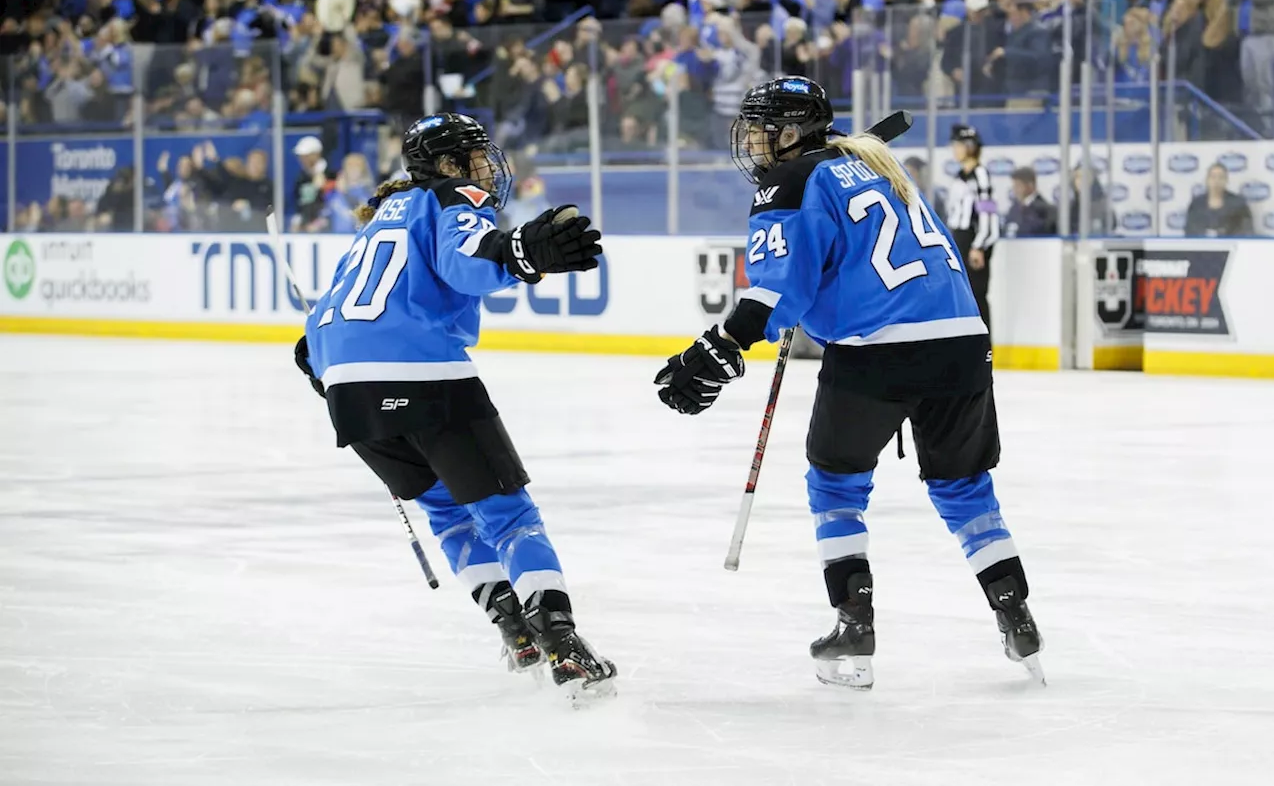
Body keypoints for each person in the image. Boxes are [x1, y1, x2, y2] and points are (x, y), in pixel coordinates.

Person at [653, 77, 1043, 689]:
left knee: (836, 482)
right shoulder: (878, 165)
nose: (752, 140)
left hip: (878, 352)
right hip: (965, 343)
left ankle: (853, 625)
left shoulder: (791, 181)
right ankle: (1015, 613)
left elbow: (774, 288)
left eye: (762, 127)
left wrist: (718, 347)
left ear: (791, 131)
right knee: (964, 486)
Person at [293, 113, 616, 702]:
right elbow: (467, 260)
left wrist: (327, 369)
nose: (486, 168)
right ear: (446, 166)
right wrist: (520, 250)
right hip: (426, 379)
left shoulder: (373, 224)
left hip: (348, 391)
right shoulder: (449, 197)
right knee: (510, 517)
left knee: (447, 514)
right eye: (474, 157)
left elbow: (316, 332)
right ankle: (563, 646)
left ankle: (514, 629)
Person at [945, 124, 1000, 327]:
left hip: (972, 240)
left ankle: (985, 351)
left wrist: (979, 246)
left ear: (970, 146)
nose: (955, 149)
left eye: (959, 144)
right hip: (959, 238)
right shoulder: (961, 176)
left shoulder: (980, 174)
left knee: (976, 297)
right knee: (962, 298)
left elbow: (987, 214)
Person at [1184, 162, 1254, 236]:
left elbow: (1246, 232)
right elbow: (1190, 231)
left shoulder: (1238, 204)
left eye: (1221, 177)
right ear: (1207, 180)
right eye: (1213, 177)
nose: (1216, 181)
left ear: (1226, 181)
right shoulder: (1197, 205)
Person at [1005, 166, 1057, 236]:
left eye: (1018, 185)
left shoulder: (1047, 211)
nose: (1015, 190)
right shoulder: (1013, 209)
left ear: (1030, 185)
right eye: (1014, 186)